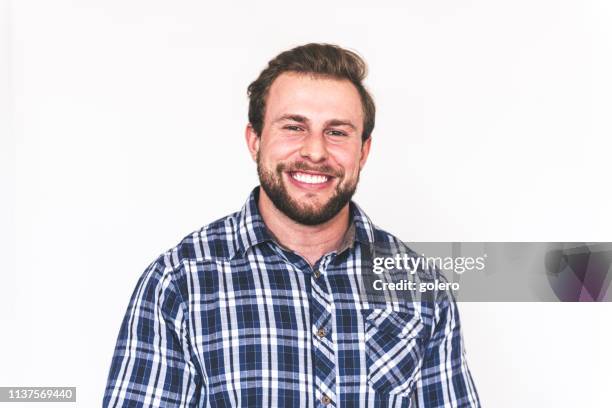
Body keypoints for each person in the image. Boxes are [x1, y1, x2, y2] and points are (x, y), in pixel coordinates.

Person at [103, 43, 481, 407]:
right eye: (294, 127)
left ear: (363, 151)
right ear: (255, 140)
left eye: (336, 132)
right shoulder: (181, 281)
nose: (315, 151)